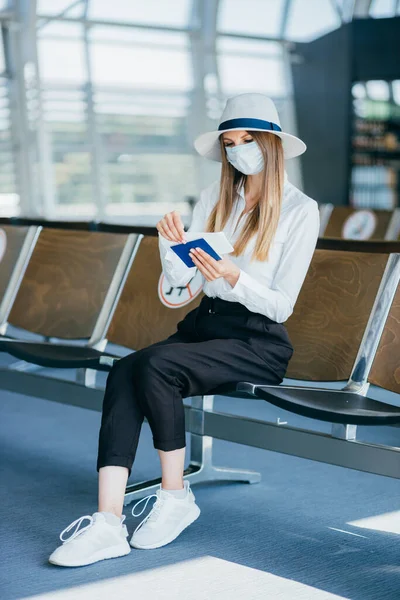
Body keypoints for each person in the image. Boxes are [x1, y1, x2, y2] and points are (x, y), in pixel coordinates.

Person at [49, 93, 320, 567]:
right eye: (230, 142)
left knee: (154, 365)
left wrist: (233, 277)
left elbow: (281, 305)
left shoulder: (301, 211)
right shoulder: (216, 199)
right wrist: (172, 253)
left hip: (257, 339)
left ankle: (175, 495)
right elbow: (181, 291)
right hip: (204, 326)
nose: (238, 151)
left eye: (248, 140)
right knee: (125, 369)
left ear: (272, 144)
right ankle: (108, 521)